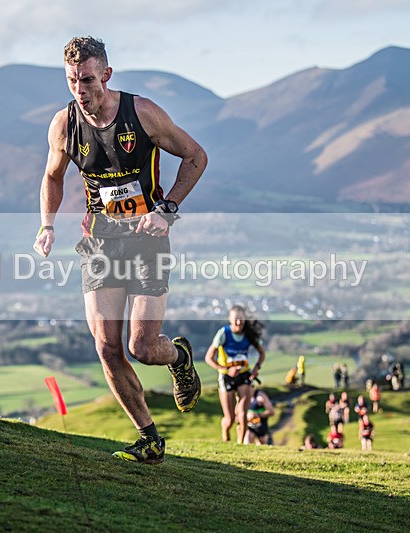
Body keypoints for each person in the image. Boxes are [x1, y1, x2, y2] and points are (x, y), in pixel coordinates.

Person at [34, 36, 207, 464]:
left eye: (88, 79)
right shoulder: (64, 124)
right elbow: (53, 177)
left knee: (142, 347)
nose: (80, 88)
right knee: (106, 346)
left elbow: (196, 157)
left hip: (149, 237)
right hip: (100, 240)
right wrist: (47, 224)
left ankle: (179, 356)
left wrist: (166, 210)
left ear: (106, 75)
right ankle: (148, 438)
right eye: (72, 80)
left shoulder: (141, 113)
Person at [205, 305, 266, 444]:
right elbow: (208, 358)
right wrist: (226, 370)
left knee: (243, 412)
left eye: (241, 319)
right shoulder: (223, 333)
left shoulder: (248, 334)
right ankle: (225, 432)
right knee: (230, 418)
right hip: (226, 377)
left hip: (244, 375)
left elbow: (262, 353)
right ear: (230, 319)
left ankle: (240, 443)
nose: (239, 322)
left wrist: (256, 368)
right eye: (236, 319)